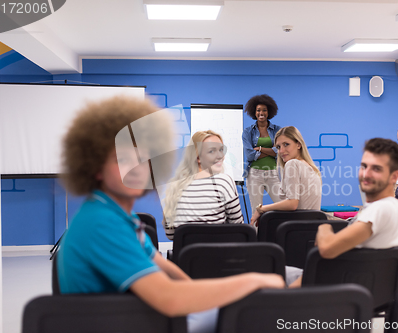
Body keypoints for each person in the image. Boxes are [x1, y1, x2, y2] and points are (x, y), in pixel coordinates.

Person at [56, 96, 284, 333]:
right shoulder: (101, 223)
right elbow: (170, 299)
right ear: (94, 168)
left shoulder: (121, 217)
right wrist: (254, 280)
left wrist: (202, 293)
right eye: (121, 159)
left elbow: (170, 271)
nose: (136, 167)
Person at [289, 138, 398, 287]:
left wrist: (323, 228)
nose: (366, 174)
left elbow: (326, 249)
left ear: (394, 176)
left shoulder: (380, 210)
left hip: (330, 291)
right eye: (364, 166)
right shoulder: (395, 207)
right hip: (353, 289)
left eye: (376, 169)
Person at [162, 130, 244, 240]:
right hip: (219, 255)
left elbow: (171, 235)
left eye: (221, 150)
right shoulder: (224, 182)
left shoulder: (174, 187)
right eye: (212, 151)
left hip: (186, 256)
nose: (221, 156)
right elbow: (238, 229)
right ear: (198, 158)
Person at [250, 126, 322, 226]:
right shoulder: (312, 169)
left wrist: (261, 209)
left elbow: (292, 204)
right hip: (311, 232)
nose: (281, 151)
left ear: (298, 145)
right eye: (278, 147)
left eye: (286, 144)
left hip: (296, 232)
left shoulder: (292, 164)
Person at [242, 94, 282, 214]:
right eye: (258, 110)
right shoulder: (248, 132)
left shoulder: (277, 130)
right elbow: (250, 155)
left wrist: (259, 148)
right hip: (254, 174)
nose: (261, 113)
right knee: (256, 210)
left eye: (264, 110)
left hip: (273, 172)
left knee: (283, 204)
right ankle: (256, 233)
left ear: (269, 112)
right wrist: (272, 151)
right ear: (254, 112)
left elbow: (279, 151)